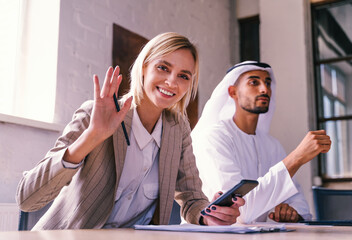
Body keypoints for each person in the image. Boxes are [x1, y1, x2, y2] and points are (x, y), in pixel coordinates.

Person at [16, 32, 244, 230]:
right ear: (144, 67)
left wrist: (210, 215)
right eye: (163, 68)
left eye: (184, 76)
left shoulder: (178, 129)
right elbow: (27, 199)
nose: (172, 82)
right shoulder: (94, 114)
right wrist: (91, 137)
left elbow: (192, 198)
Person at [191, 61, 331, 223]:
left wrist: (291, 211)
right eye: (254, 82)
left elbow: (298, 202)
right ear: (233, 92)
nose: (264, 89)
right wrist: (296, 158)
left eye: (268, 83)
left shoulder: (272, 145)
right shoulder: (214, 137)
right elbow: (239, 212)